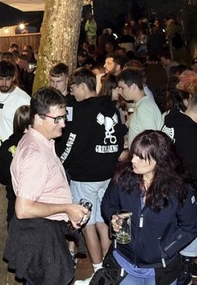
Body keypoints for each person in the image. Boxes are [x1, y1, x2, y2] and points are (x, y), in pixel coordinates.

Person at [3, 87, 90, 285]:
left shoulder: (41, 141)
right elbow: (23, 209)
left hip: (44, 232)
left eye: (64, 116)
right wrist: (66, 208)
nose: (63, 123)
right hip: (40, 236)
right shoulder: (36, 155)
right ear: (39, 118)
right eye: (57, 118)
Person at [100, 130, 197, 285]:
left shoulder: (179, 190)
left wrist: (163, 250)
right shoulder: (123, 178)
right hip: (124, 263)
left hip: (160, 269)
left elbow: (189, 228)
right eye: (134, 154)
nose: (133, 160)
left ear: (159, 160)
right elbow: (107, 203)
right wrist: (113, 215)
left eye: (141, 157)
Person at [58, 68, 126, 284]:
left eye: (73, 88)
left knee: (86, 222)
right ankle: (109, 269)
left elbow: (72, 143)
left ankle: (98, 273)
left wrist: (59, 163)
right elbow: (118, 138)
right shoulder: (110, 107)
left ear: (81, 85)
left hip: (85, 176)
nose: (72, 93)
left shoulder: (82, 110)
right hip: (107, 173)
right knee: (102, 220)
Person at [161, 93, 197, 284]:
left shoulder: (170, 121)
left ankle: (179, 263)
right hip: (190, 192)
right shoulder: (191, 134)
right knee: (192, 230)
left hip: (169, 186)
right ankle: (184, 268)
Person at [0, 105, 30, 223]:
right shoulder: (37, 144)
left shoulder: (6, 145)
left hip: (14, 198)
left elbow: (2, 176)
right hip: (34, 202)